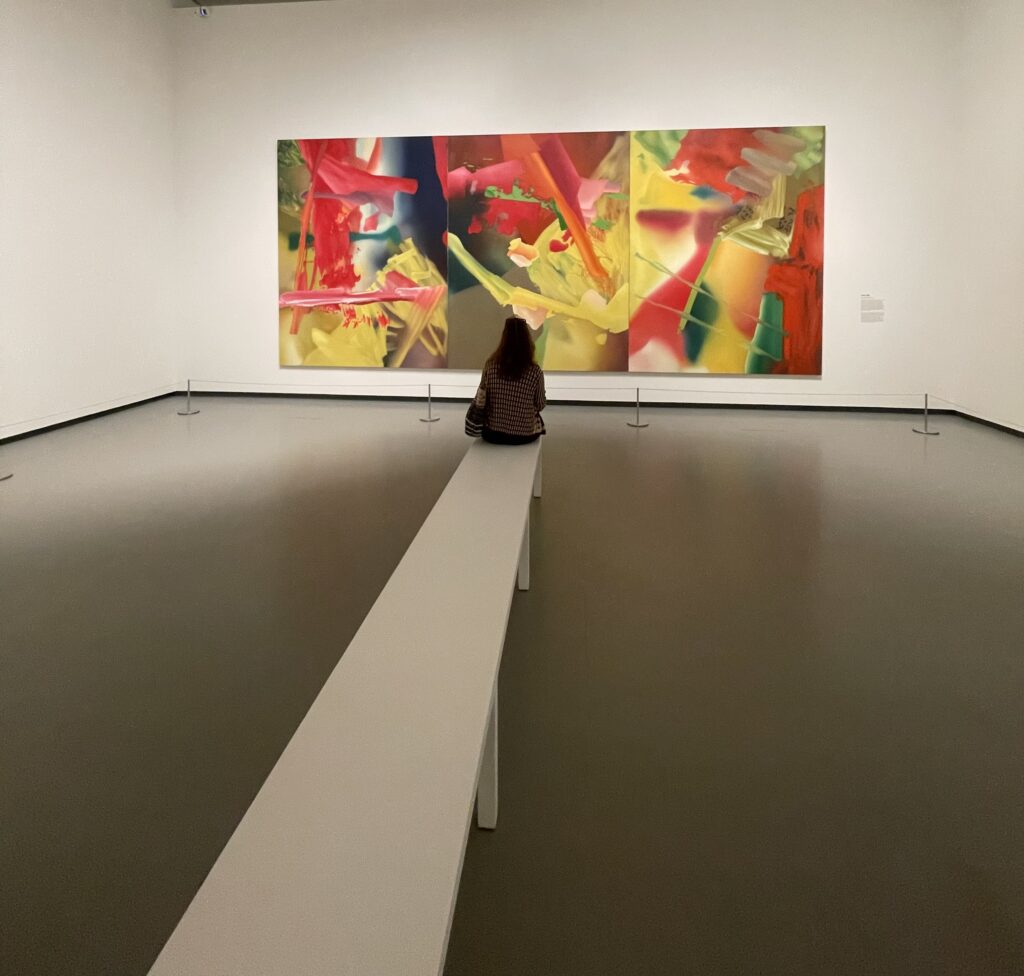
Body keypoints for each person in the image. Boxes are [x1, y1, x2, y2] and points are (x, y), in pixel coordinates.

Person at [472, 316, 546, 445]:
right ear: (527, 340)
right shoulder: (535, 371)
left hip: (492, 433)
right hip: (524, 435)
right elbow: (540, 404)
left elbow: (482, 397)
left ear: (504, 338)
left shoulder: (491, 366)